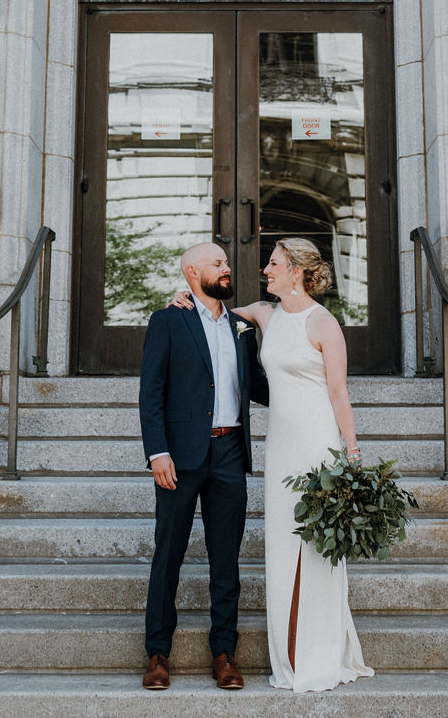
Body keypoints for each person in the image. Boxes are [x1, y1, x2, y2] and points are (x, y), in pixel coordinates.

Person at [170, 236, 373, 693]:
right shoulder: (264, 313)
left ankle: (317, 652)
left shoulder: (324, 323)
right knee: (284, 546)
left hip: (317, 441)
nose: (265, 269)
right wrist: (182, 296)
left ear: (296, 271)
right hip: (280, 445)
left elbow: (339, 392)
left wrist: (352, 453)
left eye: (274, 263)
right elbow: (214, 312)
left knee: (317, 548)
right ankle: (289, 652)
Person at [139, 241, 269, 692]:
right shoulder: (168, 320)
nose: (227, 269)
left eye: (227, 263)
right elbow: (151, 391)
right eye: (218, 263)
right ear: (193, 272)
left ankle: (224, 653)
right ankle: (157, 653)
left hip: (231, 453)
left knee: (226, 558)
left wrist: (309, 376)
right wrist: (157, 452)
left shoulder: (241, 326)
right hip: (180, 455)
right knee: (168, 554)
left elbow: (258, 385)